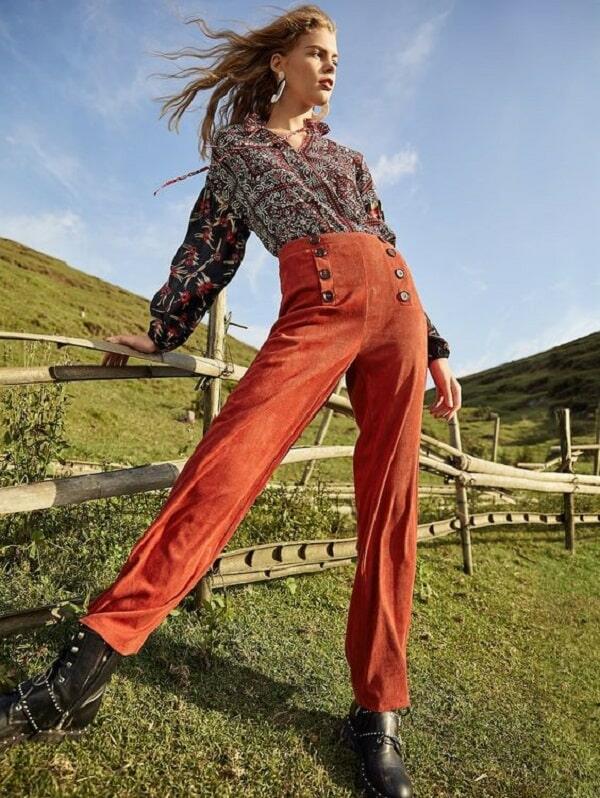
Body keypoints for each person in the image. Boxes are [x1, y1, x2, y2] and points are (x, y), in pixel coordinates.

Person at [0, 5, 461, 796]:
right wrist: (162, 329)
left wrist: (437, 346)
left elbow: (387, 240)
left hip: (399, 313)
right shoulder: (240, 151)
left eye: (337, 58)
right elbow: (209, 248)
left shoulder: (350, 160)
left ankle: (377, 710)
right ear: (280, 61)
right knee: (222, 472)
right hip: (318, 303)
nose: (331, 67)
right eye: (317, 52)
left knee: (391, 514)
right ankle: (81, 675)